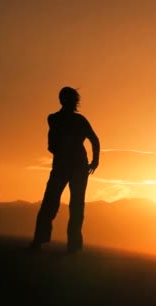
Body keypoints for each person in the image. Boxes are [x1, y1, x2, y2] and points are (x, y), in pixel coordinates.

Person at [29, 87, 100, 253]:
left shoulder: (57, 119)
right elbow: (93, 140)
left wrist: (95, 160)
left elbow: (94, 140)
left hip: (70, 166)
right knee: (63, 204)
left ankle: (64, 245)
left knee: (65, 204)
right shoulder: (59, 119)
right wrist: (95, 160)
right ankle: (64, 245)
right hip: (68, 165)